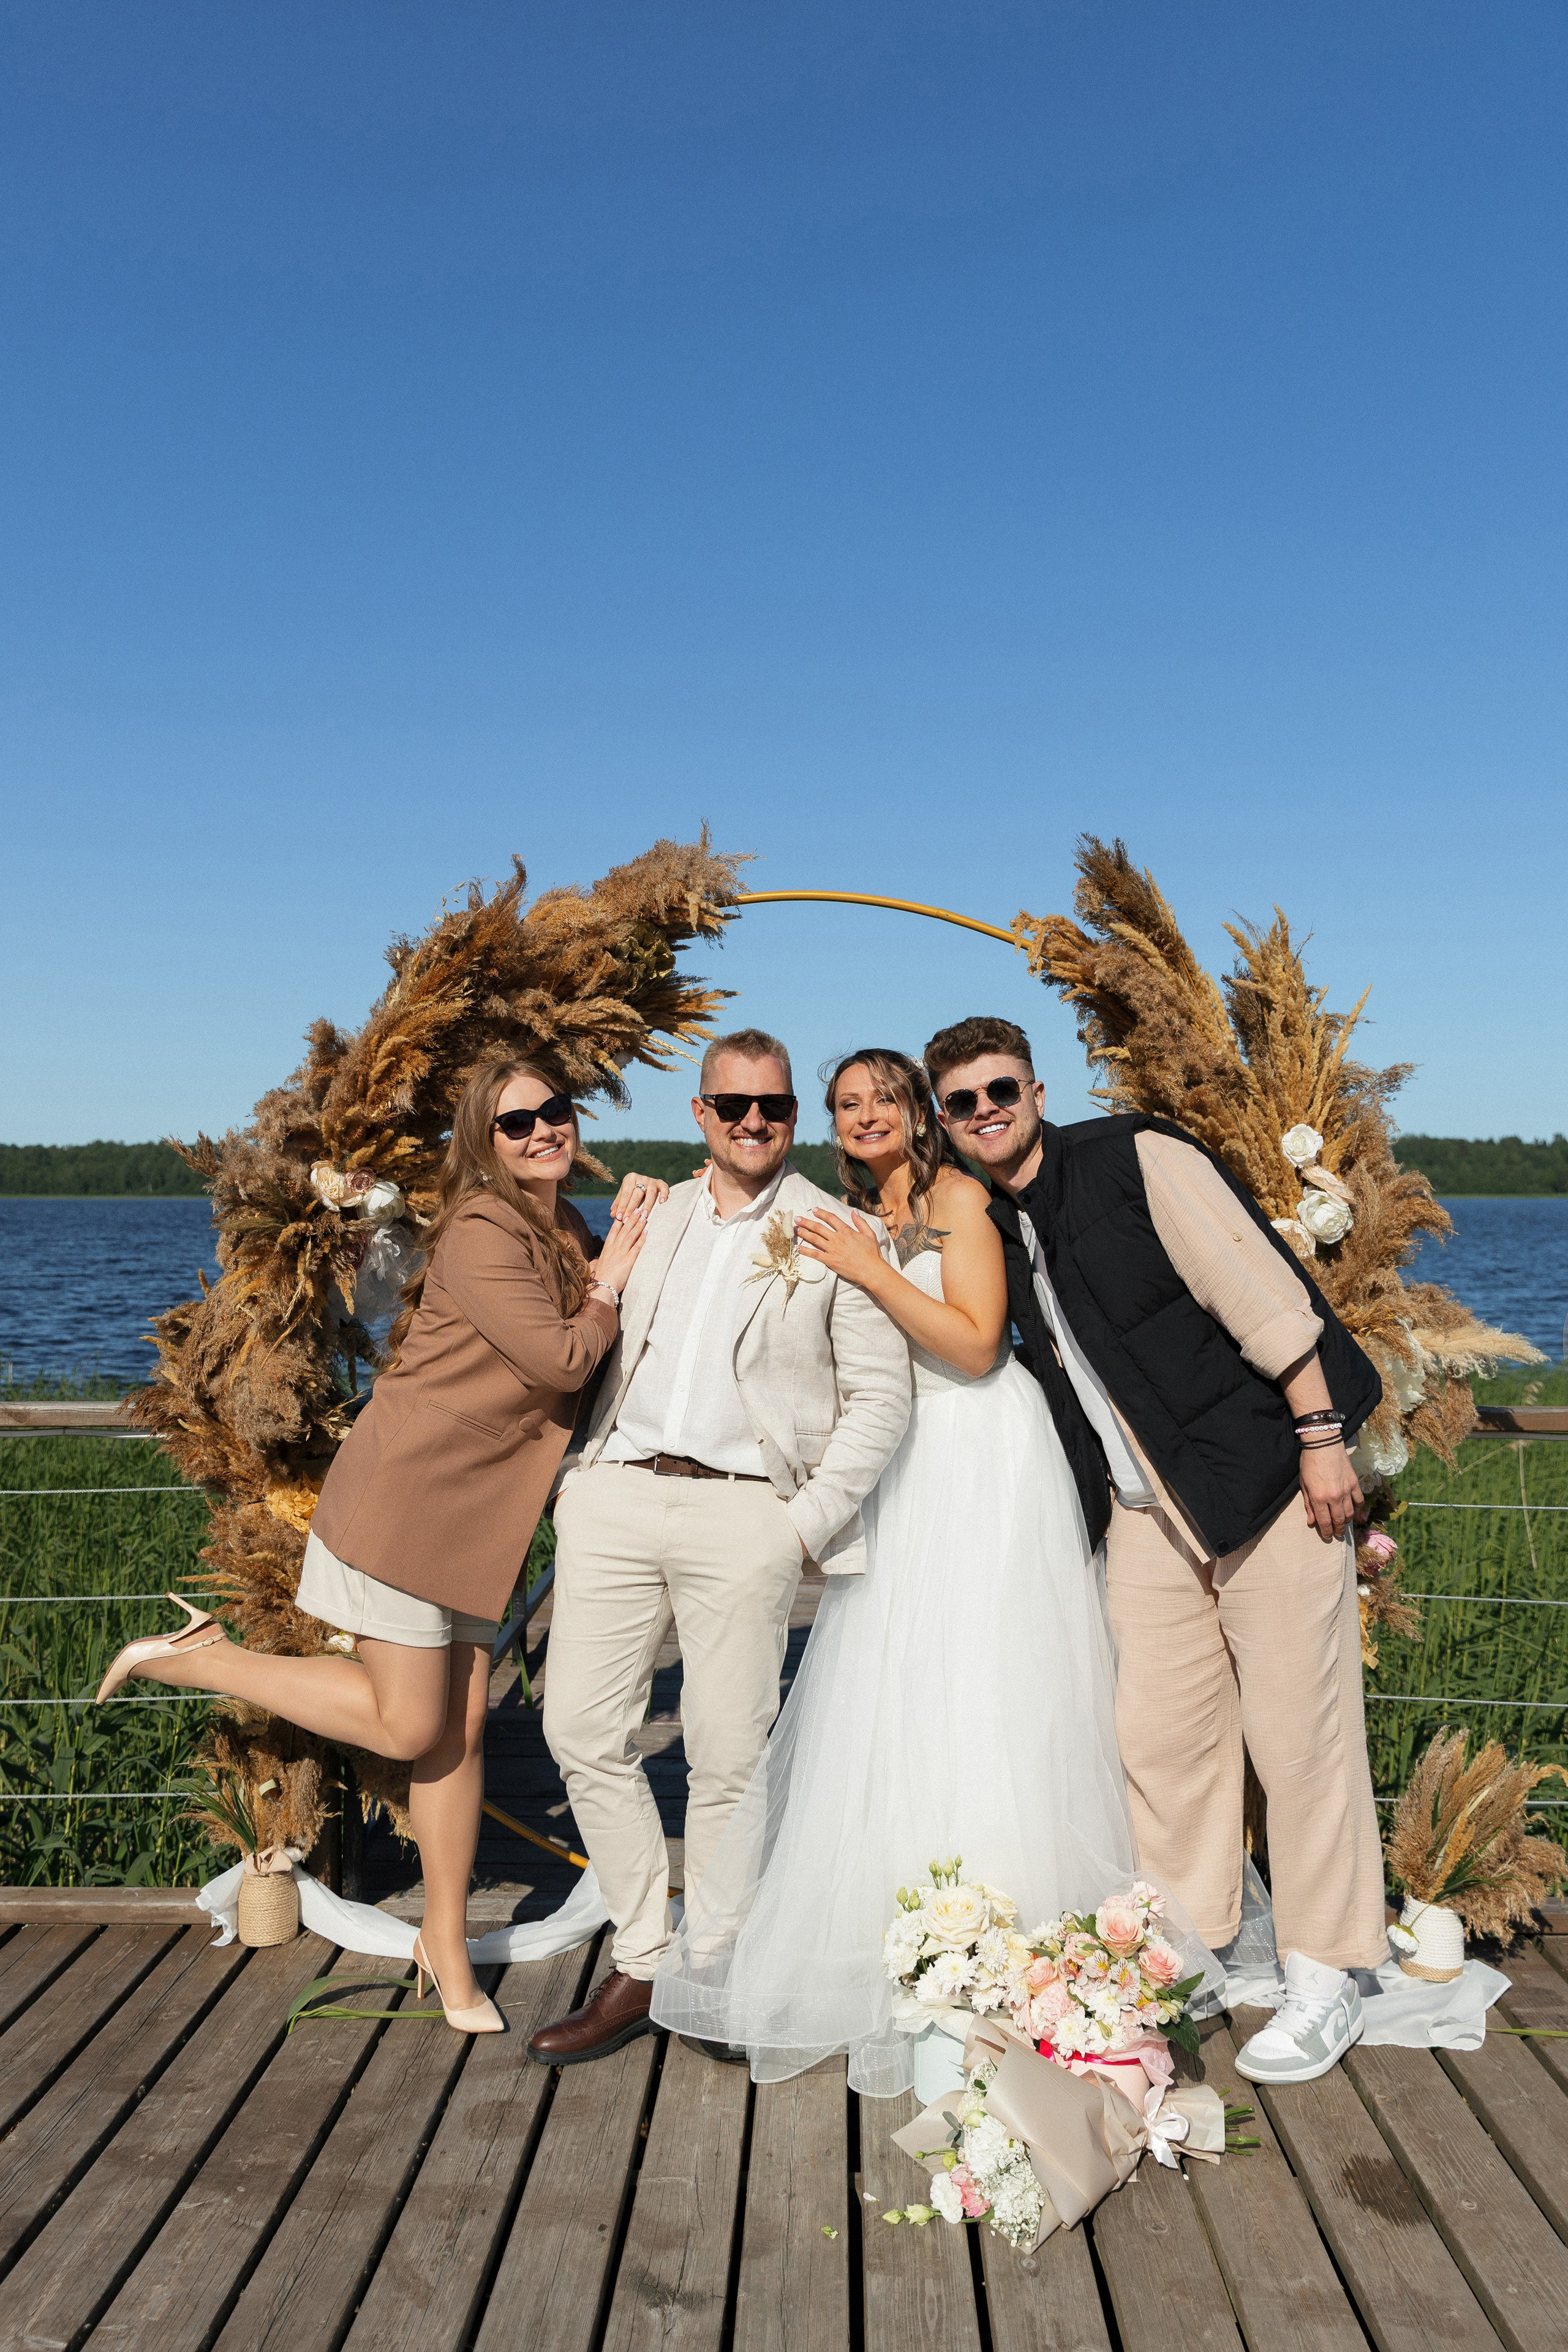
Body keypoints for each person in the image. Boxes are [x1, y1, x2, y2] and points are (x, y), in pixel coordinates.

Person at [97, 1057, 650, 2031]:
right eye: (515, 1124)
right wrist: (608, 1285)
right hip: (407, 1501)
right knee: (407, 1729)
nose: (540, 1134)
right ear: (485, 1141)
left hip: (481, 1517)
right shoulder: (483, 1229)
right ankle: (204, 1658)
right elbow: (565, 1353)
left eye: (554, 1113)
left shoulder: (560, 1224)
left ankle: (445, 1937)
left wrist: (627, 1246)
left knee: (462, 1733)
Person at [649, 1048, 1139, 2097]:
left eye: (884, 1097)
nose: (866, 1114)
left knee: (990, 1676)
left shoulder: (956, 1197)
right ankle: (914, 1922)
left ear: (919, 1111)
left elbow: (975, 1346)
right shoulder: (851, 1209)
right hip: (903, 1466)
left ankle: (1007, 1921)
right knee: (901, 1685)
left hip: (981, 1452)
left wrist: (869, 1270)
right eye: (847, 1104)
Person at [922, 1013, 1388, 2085]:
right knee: (1162, 1741)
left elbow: (1264, 1296)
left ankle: (1326, 1977)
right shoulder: (994, 1218)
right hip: (1148, 1518)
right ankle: (1195, 1943)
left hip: (1269, 1484)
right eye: (964, 1103)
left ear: (1036, 1091)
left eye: (1002, 1091)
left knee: (1299, 1737)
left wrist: (1322, 1440)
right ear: (947, 1122)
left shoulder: (1137, 1157)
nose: (987, 1113)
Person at [527, 1028, 913, 2066]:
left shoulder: (834, 1230)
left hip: (749, 1512)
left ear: (794, 1118)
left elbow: (881, 1400)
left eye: (775, 1109)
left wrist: (798, 1525)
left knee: (729, 1755)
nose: (754, 1124)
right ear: (700, 1113)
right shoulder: (648, 1215)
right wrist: (576, 1486)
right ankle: (645, 1955)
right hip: (615, 1496)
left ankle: (720, 1963)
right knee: (579, 1731)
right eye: (733, 1106)